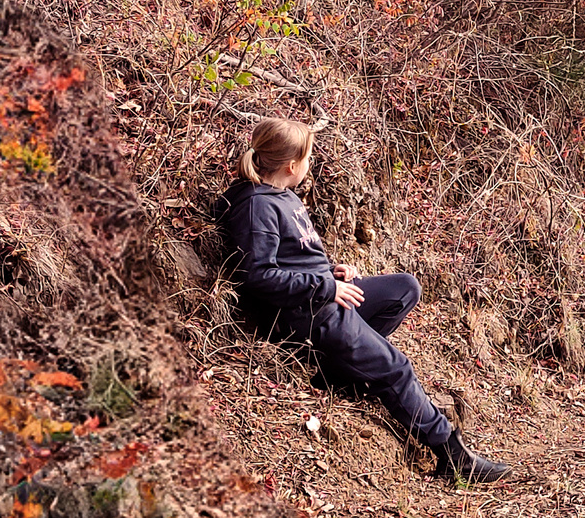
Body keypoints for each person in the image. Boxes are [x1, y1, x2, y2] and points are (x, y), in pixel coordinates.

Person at [216, 117, 513, 484]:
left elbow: (298, 257)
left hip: (323, 295)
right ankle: (453, 457)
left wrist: (333, 271)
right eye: (308, 158)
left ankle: (340, 373)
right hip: (308, 314)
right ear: (292, 165)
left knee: (404, 288)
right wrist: (326, 288)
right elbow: (258, 277)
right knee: (397, 367)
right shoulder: (255, 206)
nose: (311, 164)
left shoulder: (284, 196)